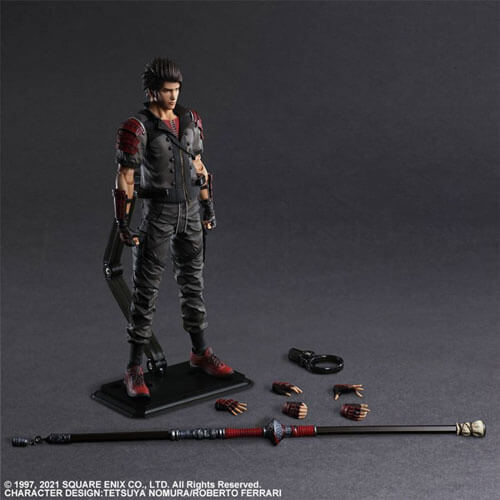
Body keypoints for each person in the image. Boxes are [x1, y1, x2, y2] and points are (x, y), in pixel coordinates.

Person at [113, 57, 233, 398]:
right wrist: (123, 222)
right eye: (167, 90)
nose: (173, 96)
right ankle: (134, 367)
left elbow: (199, 166)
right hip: (159, 214)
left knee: (193, 284)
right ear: (152, 91)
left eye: (177, 89)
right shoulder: (137, 128)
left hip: (190, 211)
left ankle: (200, 352)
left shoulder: (190, 120)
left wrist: (208, 205)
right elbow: (125, 178)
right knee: (145, 291)